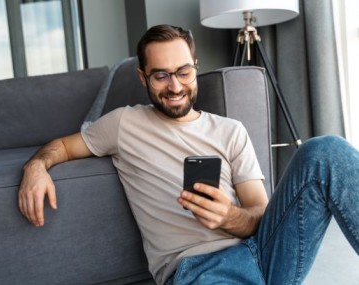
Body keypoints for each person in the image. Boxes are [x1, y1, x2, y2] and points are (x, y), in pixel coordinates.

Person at [18, 24, 359, 284]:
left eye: (183, 72)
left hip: (265, 252)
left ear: (195, 66)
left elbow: (259, 213)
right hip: (198, 269)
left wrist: (229, 217)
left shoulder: (230, 130)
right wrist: (36, 166)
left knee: (325, 150)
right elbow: (62, 146)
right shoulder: (123, 124)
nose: (176, 86)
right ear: (143, 77)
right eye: (161, 76)